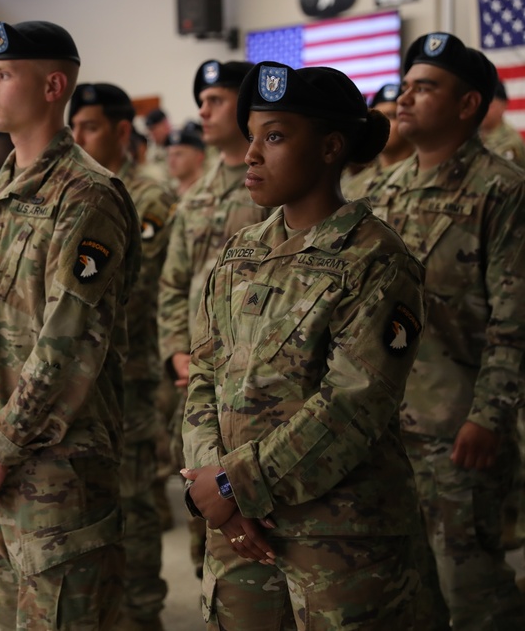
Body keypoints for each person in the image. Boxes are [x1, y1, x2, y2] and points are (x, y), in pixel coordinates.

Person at [182, 61, 427, 629]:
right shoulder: (241, 251)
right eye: (251, 137)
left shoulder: (378, 259)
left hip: (337, 537)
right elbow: (204, 376)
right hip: (239, 533)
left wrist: (233, 485)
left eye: (274, 137)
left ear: (329, 147)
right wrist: (211, 488)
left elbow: (353, 406)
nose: (251, 155)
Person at [0, 19, 141, 630]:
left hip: (57, 472)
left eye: (2, 75)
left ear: (54, 85)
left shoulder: (88, 196)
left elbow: (69, 341)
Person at [368, 32, 525, 629]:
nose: (404, 99)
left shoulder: (503, 191)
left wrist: (490, 415)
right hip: (382, 427)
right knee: (399, 589)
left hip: (458, 427)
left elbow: (514, 320)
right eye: (404, 86)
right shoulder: (381, 190)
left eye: (424, 87)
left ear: (469, 105)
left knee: (471, 593)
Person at [69, 81, 174, 631]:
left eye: (88, 126)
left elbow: (137, 284)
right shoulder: (79, 189)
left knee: (133, 497)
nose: (79, 137)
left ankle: (142, 610)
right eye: (74, 127)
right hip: (84, 373)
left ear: (118, 129)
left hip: (129, 370)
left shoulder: (148, 196)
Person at [158, 60, 263, 579]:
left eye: (217, 98)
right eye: (201, 99)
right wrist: (176, 349)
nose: (204, 108)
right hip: (198, 378)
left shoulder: (269, 186)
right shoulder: (195, 195)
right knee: (204, 502)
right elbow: (174, 283)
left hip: (256, 379)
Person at [340, 83, 414, 200]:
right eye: (380, 117)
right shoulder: (354, 185)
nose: (384, 124)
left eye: (392, 115)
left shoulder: (419, 177)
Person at [481, 79, 525, 169]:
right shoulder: (469, 132)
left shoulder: (510, 142)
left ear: (503, 106)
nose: (483, 110)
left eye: (490, 105)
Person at [164, 122, 207, 197]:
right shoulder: (167, 193)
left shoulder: (209, 190)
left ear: (199, 157)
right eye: (169, 155)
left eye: (178, 154)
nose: (171, 161)